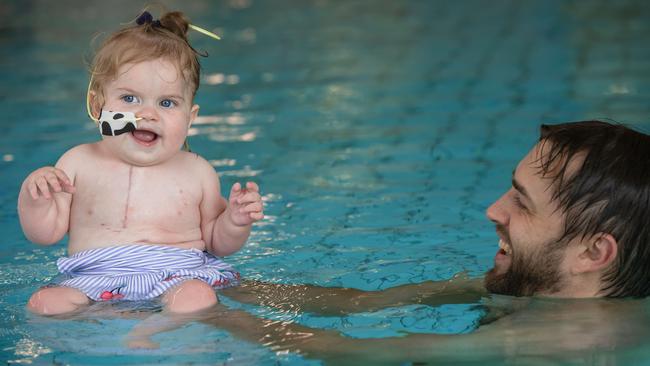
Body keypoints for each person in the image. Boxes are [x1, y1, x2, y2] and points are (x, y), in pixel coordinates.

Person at [204, 120, 650, 363]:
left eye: (523, 202)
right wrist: (224, 284)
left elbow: (351, 352)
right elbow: (364, 304)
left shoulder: (558, 340)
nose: (494, 210)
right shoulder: (537, 282)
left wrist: (206, 311)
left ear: (593, 253)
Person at [17, 10, 264, 316]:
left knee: (197, 296)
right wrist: (34, 196)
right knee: (44, 303)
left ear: (190, 119)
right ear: (98, 106)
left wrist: (235, 222)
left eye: (167, 103)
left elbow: (217, 242)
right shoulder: (78, 162)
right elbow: (45, 234)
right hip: (94, 279)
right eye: (130, 99)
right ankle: (107, 332)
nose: (148, 114)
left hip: (180, 276)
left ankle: (151, 331)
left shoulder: (197, 170)